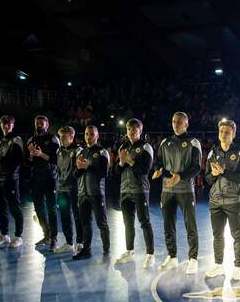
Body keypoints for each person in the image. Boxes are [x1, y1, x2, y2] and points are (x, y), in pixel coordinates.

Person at [152, 112, 201, 274]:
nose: (176, 124)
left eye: (179, 122)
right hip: (167, 190)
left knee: (190, 225)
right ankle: (172, 256)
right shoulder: (165, 142)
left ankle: (193, 259)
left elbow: (196, 167)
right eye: (174, 121)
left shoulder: (193, 142)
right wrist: (158, 170)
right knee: (168, 225)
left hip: (185, 190)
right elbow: (158, 162)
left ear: (186, 124)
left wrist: (180, 176)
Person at [204, 119, 240, 280]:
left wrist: (223, 172)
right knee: (217, 235)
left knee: (237, 235)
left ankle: (238, 267)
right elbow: (207, 179)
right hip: (215, 201)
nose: (223, 134)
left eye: (227, 132)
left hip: (233, 201)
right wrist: (213, 174)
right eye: (221, 131)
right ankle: (218, 265)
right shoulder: (212, 153)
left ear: (233, 134)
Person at [114, 118, 155, 268]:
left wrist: (130, 161)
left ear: (140, 131)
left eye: (134, 129)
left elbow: (145, 170)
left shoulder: (146, 147)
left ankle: (150, 254)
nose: (131, 132)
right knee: (128, 223)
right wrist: (121, 162)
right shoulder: (123, 147)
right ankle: (129, 252)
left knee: (144, 222)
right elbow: (116, 171)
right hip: (125, 190)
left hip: (140, 190)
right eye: (129, 129)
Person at [72, 125, 110, 261]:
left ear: (97, 136)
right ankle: (86, 250)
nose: (89, 137)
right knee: (85, 223)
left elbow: (104, 173)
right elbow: (75, 174)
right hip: (82, 193)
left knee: (101, 223)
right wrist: (79, 168)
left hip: (96, 192)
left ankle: (106, 251)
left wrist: (89, 166)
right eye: (87, 134)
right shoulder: (81, 152)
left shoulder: (102, 152)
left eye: (92, 134)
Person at [0, 115, 24, 248]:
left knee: (15, 208)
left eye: (9, 124)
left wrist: (0, 157)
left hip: (10, 178)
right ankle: (5, 234)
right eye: (4, 123)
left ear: (13, 125)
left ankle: (18, 236)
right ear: (1, 125)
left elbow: (19, 160)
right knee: (0, 208)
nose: (6, 126)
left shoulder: (16, 139)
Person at [27, 115, 60, 250]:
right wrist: (31, 154)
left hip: (50, 178)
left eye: (42, 123)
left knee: (51, 209)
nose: (39, 124)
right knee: (39, 209)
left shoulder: (53, 138)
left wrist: (40, 154)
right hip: (36, 178)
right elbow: (28, 161)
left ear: (47, 125)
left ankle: (54, 238)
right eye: (37, 123)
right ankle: (46, 235)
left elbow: (56, 159)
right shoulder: (31, 140)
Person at [53, 126, 82, 254]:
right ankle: (69, 243)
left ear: (71, 137)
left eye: (63, 137)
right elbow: (58, 169)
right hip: (62, 189)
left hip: (75, 189)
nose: (61, 139)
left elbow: (80, 170)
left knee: (77, 216)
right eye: (60, 137)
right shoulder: (59, 150)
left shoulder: (78, 150)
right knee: (65, 216)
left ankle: (80, 243)